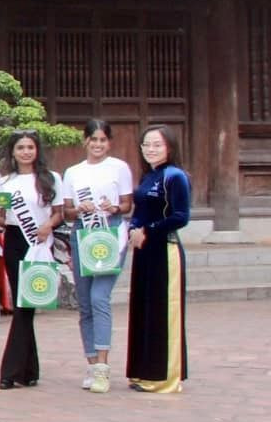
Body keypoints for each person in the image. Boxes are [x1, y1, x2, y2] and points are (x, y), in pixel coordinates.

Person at [62, 118, 135, 393]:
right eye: (93, 140)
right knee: (84, 303)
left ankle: (103, 368)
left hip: (110, 233)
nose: (98, 145)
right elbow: (66, 211)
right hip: (83, 233)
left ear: (109, 142)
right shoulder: (73, 172)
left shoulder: (119, 168)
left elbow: (128, 204)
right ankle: (91, 364)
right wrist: (80, 208)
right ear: (85, 141)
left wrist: (113, 206)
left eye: (103, 140)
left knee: (99, 298)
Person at [0, 128, 58, 389]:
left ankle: (11, 370)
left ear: (37, 150)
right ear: (13, 152)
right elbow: (1, 220)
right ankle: (28, 370)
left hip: (39, 243)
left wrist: (48, 225)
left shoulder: (50, 178)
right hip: (15, 242)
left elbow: (59, 212)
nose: (26, 152)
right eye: (21, 147)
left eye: (30, 147)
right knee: (23, 304)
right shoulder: (5, 182)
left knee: (25, 306)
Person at [126, 125, 191, 393]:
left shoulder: (175, 177)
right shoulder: (149, 177)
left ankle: (164, 377)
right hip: (144, 252)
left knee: (163, 312)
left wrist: (148, 231)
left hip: (164, 250)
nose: (150, 149)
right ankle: (143, 372)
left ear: (170, 148)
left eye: (157, 145)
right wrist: (133, 229)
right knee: (143, 310)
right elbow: (140, 210)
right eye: (146, 145)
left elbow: (180, 216)